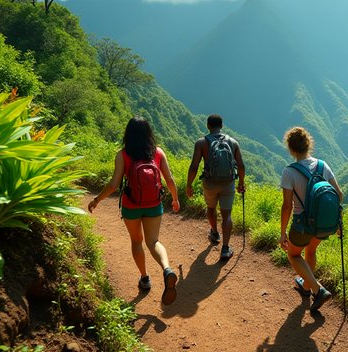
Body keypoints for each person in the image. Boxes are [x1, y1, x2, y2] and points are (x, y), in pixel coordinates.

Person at [88, 117, 180, 305]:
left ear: (128, 134)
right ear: (149, 133)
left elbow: (114, 184)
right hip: (154, 204)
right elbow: (169, 180)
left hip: (131, 206)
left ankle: (145, 278)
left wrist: (97, 200)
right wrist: (176, 199)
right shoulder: (158, 153)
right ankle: (167, 269)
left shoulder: (123, 155)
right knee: (153, 241)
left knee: (137, 241)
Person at [279, 126, 342, 312]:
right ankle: (306, 287)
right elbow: (339, 195)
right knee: (311, 251)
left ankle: (317, 289)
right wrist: (337, 221)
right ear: (308, 144)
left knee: (293, 254)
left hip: (302, 225)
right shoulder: (323, 166)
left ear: (290, 148)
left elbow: (287, 206)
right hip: (323, 224)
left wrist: (282, 233)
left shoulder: (289, 172)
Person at [186, 114, 246, 261]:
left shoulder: (201, 143)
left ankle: (214, 233)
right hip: (228, 183)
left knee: (211, 208)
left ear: (208, 126)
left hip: (209, 183)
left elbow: (194, 166)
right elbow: (241, 166)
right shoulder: (233, 142)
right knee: (227, 215)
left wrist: (189, 184)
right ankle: (225, 249)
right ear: (222, 125)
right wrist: (241, 183)